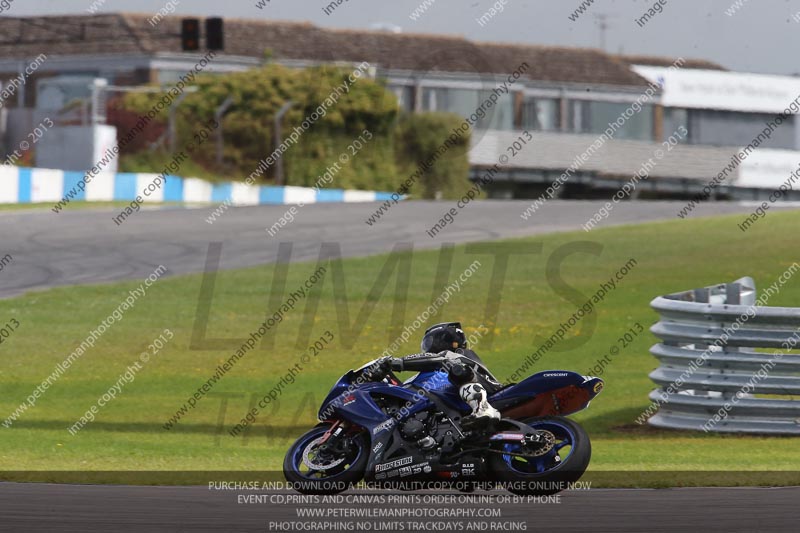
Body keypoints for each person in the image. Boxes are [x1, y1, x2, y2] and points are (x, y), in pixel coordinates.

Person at [375, 322, 502, 429]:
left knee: (457, 371)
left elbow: (436, 359)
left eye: (432, 342)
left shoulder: (454, 356)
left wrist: (397, 363)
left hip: (493, 395)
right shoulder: (439, 369)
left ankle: (483, 409)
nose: (430, 347)